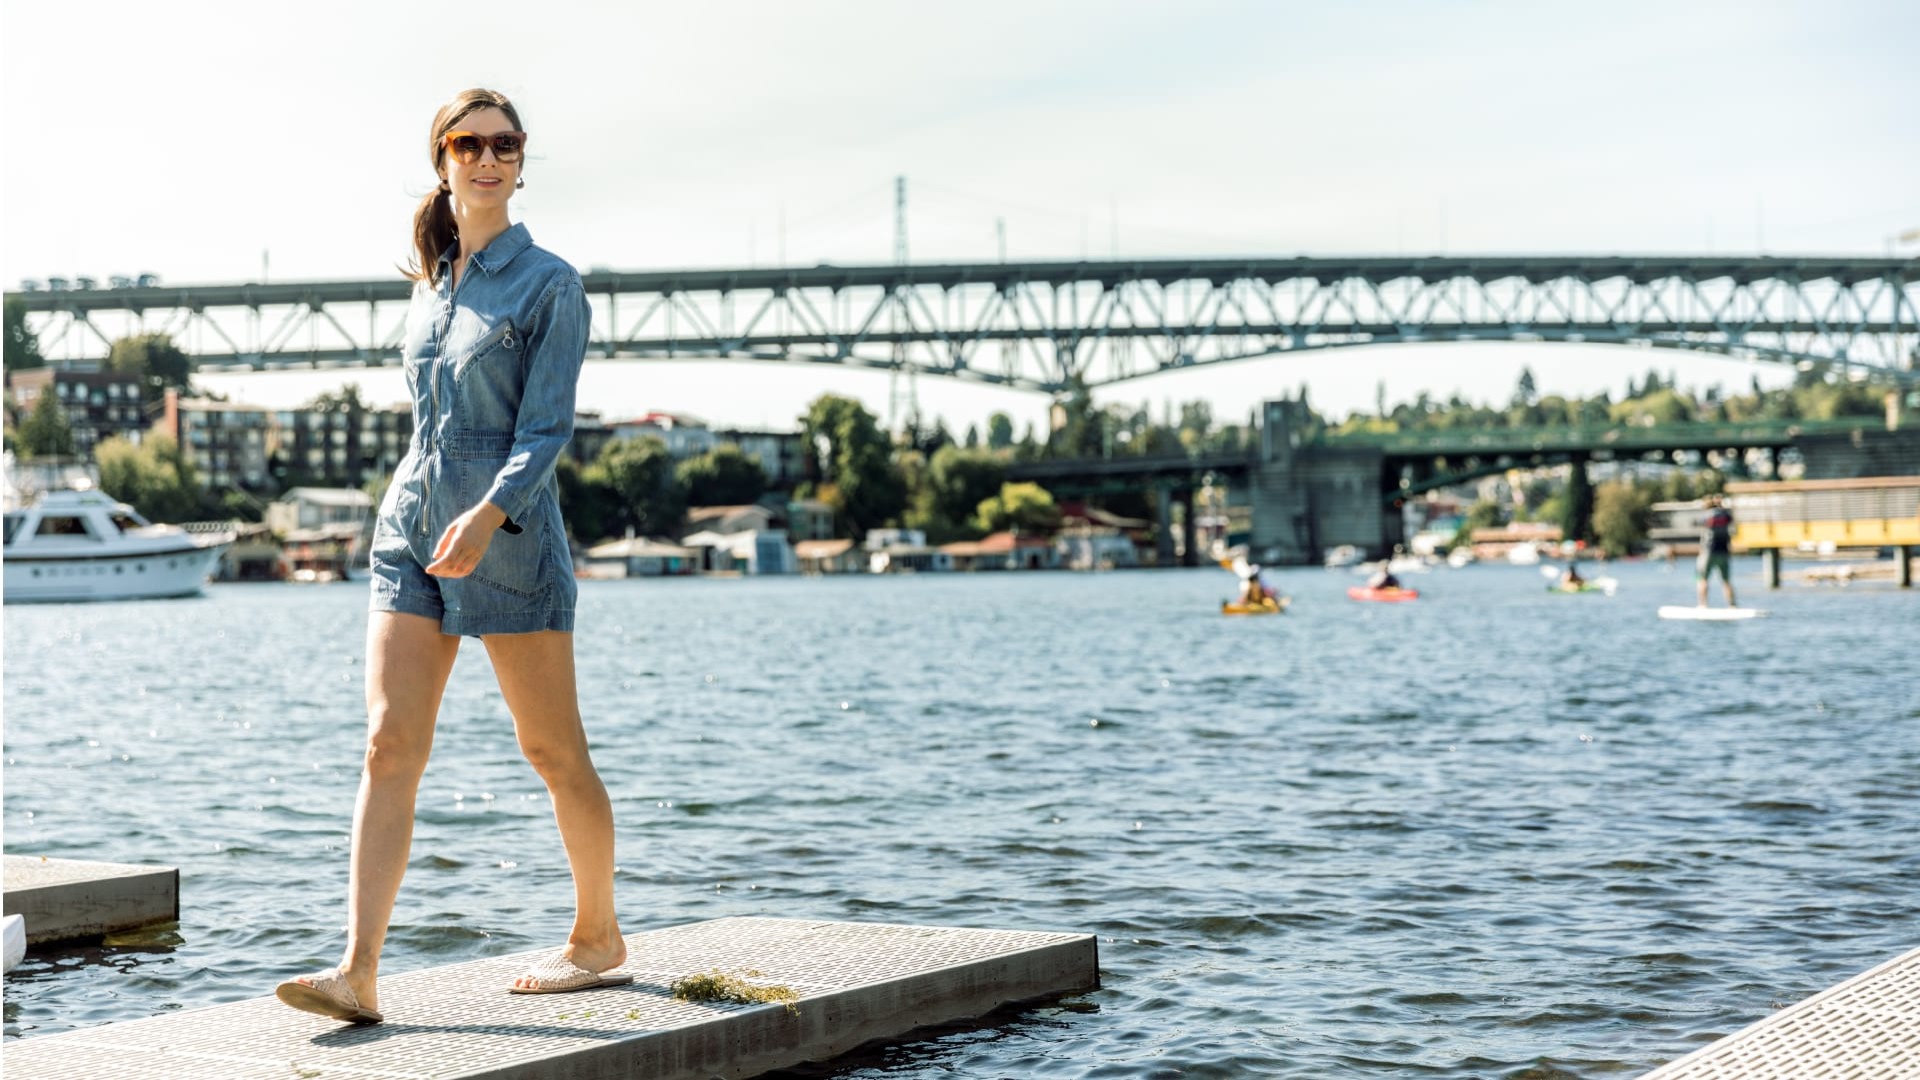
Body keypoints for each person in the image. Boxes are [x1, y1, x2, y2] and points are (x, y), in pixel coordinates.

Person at [276, 89, 624, 1026]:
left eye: (505, 145)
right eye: (468, 144)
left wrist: (488, 514)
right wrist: (434, 517)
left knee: (552, 750)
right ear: (441, 159)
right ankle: (357, 973)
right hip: (408, 534)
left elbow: (547, 429)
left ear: (520, 161)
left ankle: (598, 939)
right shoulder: (430, 282)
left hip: (507, 542)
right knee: (390, 744)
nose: (487, 158)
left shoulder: (550, 284)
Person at [1696, 494, 1737, 607]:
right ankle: (1732, 605)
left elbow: (1698, 521)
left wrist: (1709, 505)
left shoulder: (1705, 515)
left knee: (1702, 579)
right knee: (1726, 581)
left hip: (1708, 551)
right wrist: (1720, 505)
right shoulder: (1725, 515)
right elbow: (1731, 518)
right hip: (1724, 551)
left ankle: (1702, 605)